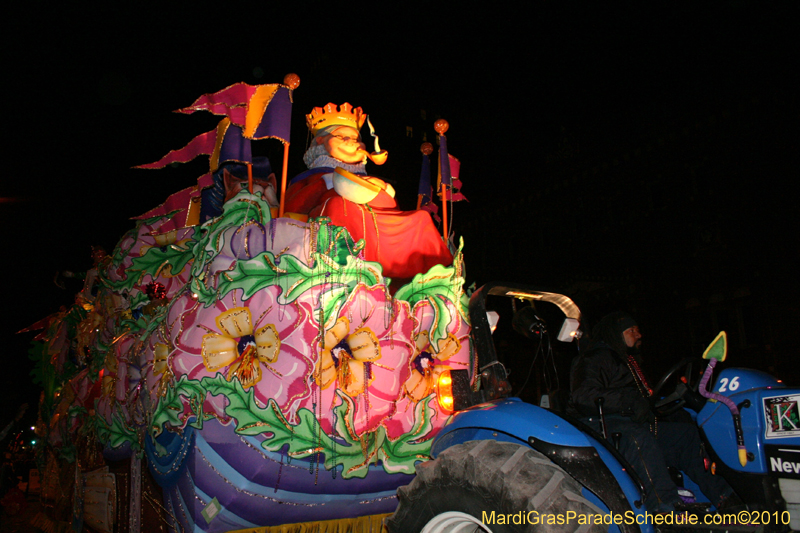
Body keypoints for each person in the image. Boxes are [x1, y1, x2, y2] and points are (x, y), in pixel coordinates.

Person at [569, 312, 740, 513]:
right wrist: (629, 402)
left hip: (631, 421)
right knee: (638, 439)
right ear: (616, 333)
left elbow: (644, 398)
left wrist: (665, 408)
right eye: (632, 330)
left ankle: (725, 497)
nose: (638, 335)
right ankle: (664, 506)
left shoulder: (628, 360)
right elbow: (583, 395)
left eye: (638, 330)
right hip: (601, 423)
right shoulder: (596, 357)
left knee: (685, 435)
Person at [283, 103, 453, 283]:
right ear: (320, 141)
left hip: (379, 219)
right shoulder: (313, 176)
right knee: (339, 206)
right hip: (344, 218)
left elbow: (392, 207)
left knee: (420, 218)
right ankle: (345, 270)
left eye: (355, 138)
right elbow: (293, 206)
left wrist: (383, 189)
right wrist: (325, 182)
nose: (351, 142)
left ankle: (434, 279)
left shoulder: (369, 178)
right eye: (341, 136)